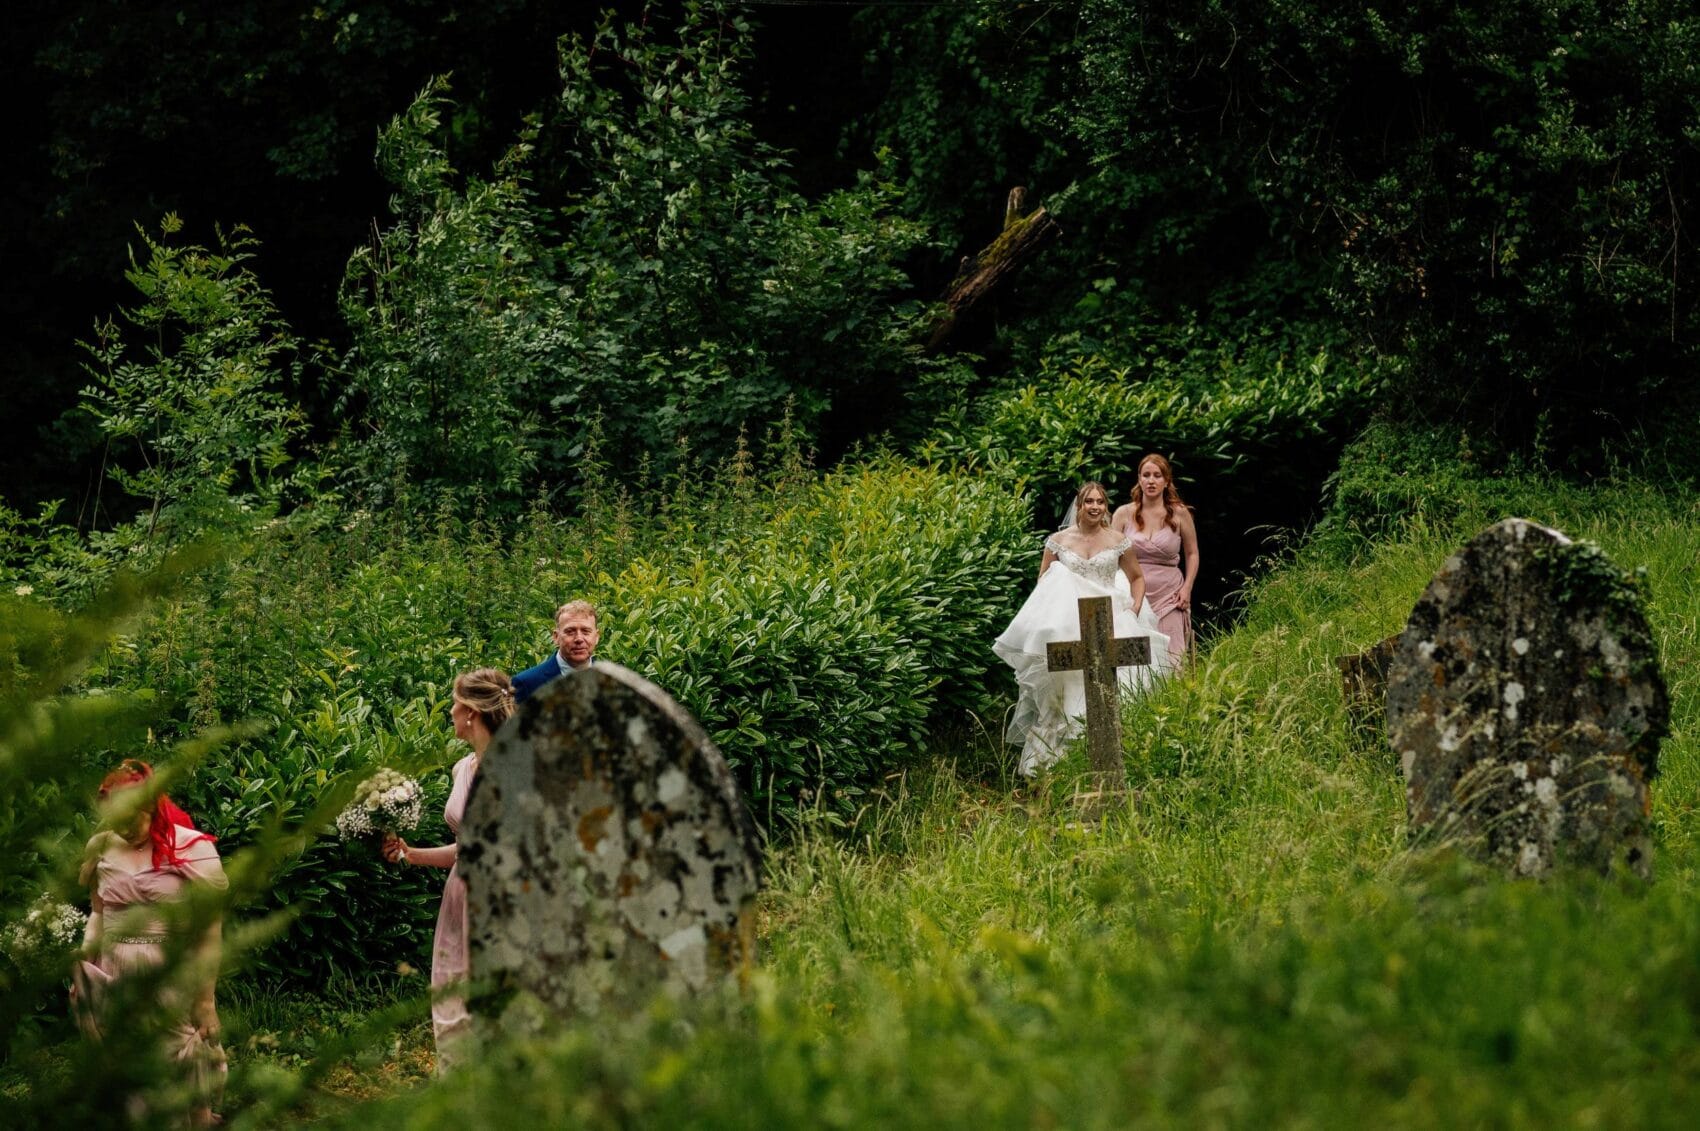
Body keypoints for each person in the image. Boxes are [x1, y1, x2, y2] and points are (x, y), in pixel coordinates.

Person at [74, 759, 228, 1128]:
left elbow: (209, 927)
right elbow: (98, 911)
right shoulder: (100, 846)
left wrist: (205, 999)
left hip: (169, 972)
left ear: (150, 808)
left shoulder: (190, 848)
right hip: (114, 971)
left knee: (173, 1059)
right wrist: (85, 964)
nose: (123, 830)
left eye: (131, 821)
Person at [383, 667, 514, 1073]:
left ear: (472, 712)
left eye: (455, 704)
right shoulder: (463, 768)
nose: (451, 711)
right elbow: (465, 849)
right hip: (460, 891)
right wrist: (410, 853)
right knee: (452, 991)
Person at [993, 482, 1169, 777]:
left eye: (1100, 502)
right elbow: (1044, 584)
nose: (1095, 507)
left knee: (1116, 690)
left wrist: (1134, 608)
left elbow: (1137, 578)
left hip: (1110, 618)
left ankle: (1111, 763)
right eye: (1089, 502)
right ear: (1079, 505)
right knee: (1065, 693)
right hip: (1069, 625)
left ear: (1106, 506)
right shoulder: (1058, 541)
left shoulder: (1117, 541)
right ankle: (1059, 769)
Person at [1111, 454, 1200, 664]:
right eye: (1146, 475)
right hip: (1133, 596)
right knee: (1137, 661)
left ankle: (1174, 697)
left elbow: (1192, 553)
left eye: (1157, 476)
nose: (1151, 481)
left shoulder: (1180, 514)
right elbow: (1109, 555)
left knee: (1172, 659)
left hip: (1170, 595)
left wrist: (1187, 587)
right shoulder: (1123, 514)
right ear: (1139, 479)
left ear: (1166, 480)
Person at [511, 600, 600, 702]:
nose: (579, 639)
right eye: (570, 632)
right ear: (556, 637)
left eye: (585, 631)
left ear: (596, 637)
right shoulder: (527, 684)